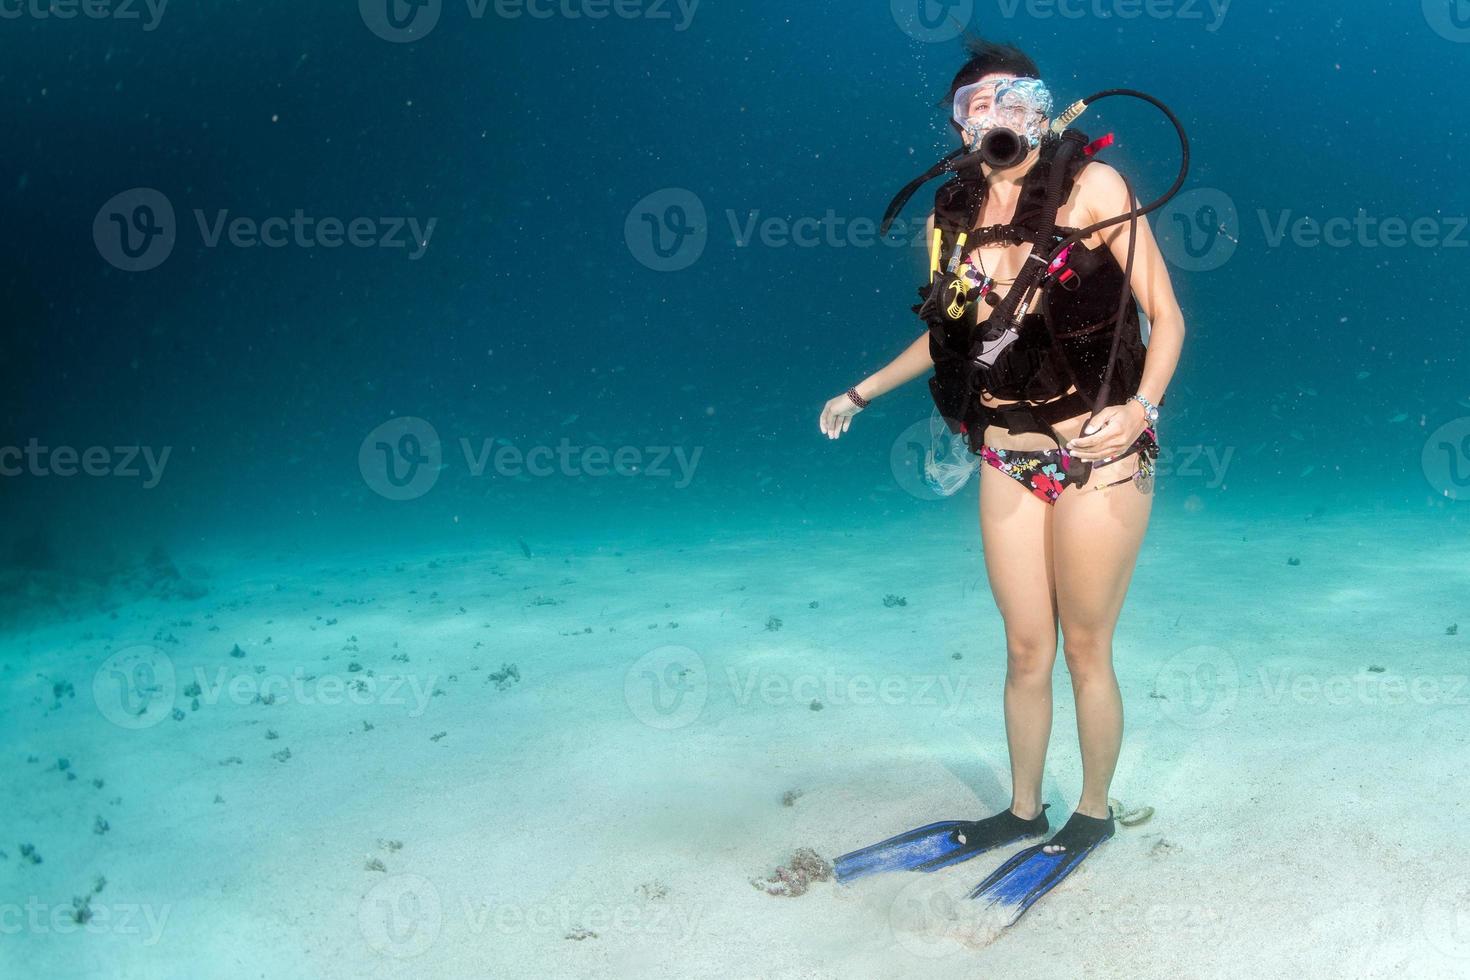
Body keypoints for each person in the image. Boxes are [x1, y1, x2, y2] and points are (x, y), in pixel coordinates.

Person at [819, 39, 1186, 923]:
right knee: (1026, 650)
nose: (996, 114)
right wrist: (860, 390)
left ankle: (1090, 816)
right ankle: (1023, 810)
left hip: (1099, 454)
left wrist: (1141, 410)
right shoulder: (950, 211)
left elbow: (1165, 317)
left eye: (1013, 96)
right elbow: (954, 339)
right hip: (1006, 452)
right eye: (974, 103)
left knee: (1086, 648)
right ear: (958, 122)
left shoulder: (1094, 190)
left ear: (1042, 108)